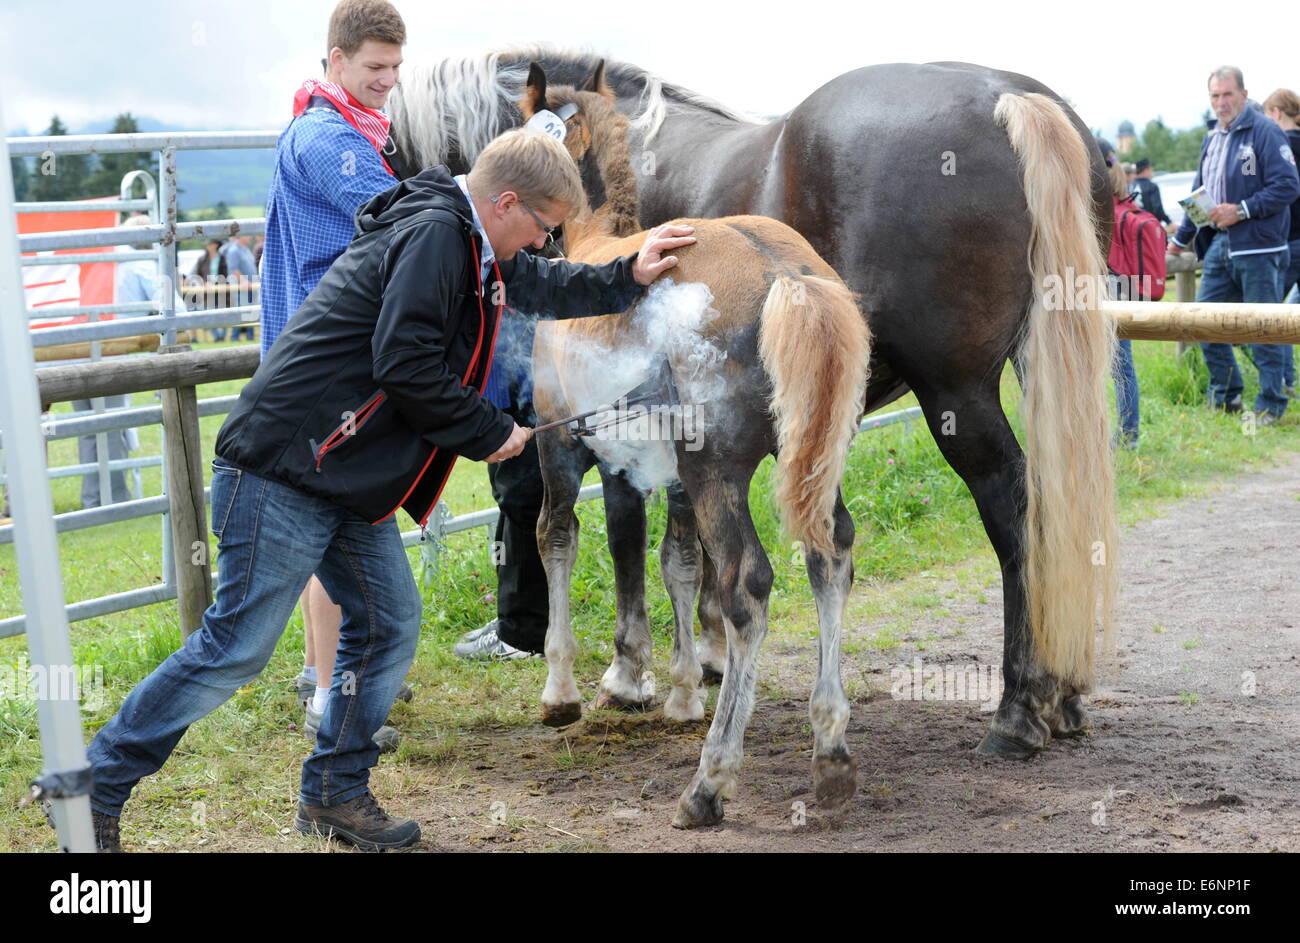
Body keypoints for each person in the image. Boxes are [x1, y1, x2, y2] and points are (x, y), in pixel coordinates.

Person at [81, 128, 698, 852]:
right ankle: (94, 781)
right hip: (288, 466)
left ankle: (335, 792)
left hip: (342, 473)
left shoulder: (470, 242)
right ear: (505, 204)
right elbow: (403, 361)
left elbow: (541, 285)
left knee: (388, 621)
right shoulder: (439, 237)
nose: (542, 244)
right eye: (541, 227)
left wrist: (631, 273)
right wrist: (487, 428)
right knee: (235, 647)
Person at [260, 0, 410, 746]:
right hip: (324, 365)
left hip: (314, 357)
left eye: (395, 68)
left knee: (332, 529)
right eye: (375, 67)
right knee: (333, 531)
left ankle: (325, 682)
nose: (388, 81)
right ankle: (329, 695)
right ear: (338, 60)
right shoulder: (330, 139)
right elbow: (395, 215)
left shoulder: (339, 126)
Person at [1170, 66, 1300, 424]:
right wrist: (1180, 241)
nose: (1221, 102)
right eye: (1215, 96)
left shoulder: (1266, 131)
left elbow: (1288, 185)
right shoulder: (1212, 138)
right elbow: (1199, 195)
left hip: (1260, 248)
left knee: (1263, 329)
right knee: (1203, 323)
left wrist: (1242, 210)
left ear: (1243, 94)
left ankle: (1271, 405)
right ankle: (1229, 397)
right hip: (1219, 246)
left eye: (1227, 94)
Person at [74, 216, 184, 509]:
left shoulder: (98, 263)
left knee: (87, 432)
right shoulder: (143, 266)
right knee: (114, 429)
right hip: (115, 358)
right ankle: (114, 500)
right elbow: (176, 310)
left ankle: (93, 499)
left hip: (77, 353)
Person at [1099, 138, 1164, 447]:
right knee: (1123, 366)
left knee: (1116, 364)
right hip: (1126, 287)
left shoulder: (1097, 203)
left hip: (1106, 286)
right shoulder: (1124, 198)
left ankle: (1125, 434)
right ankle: (1128, 433)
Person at [1264, 87, 1300, 398]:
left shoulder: (1281, 146)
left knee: (1276, 316)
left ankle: (1285, 382)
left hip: (1291, 239)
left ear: (1276, 113)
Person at [188, 238, 228, 340]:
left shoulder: (222, 258)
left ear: (215, 245)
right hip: (207, 290)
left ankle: (222, 335)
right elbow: (198, 274)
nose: (208, 246)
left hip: (220, 289)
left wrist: (219, 283)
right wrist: (204, 283)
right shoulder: (202, 259)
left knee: (223, 313)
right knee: (208, 313)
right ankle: (217, 336)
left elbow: (225, 273)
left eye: (210, 244)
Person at [221, 235, 258, 341]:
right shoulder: (234, 250)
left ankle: (250, 336)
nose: (250, 237)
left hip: (250, 285)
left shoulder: (245, 249)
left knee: (250, 310)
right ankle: (234, 337)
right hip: (241, 286)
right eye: (247, 235)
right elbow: (234, 269)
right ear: (240, 236)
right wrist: (244, 281)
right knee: (241, 310)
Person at [1130, 158, 1172, 227]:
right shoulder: (1152, 186)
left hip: (1132, 226)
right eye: (1151, 170)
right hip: (1149, 225)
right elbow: (1158, 209)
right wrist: (1169, 222)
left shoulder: (1130, 186)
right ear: (1146, 170)